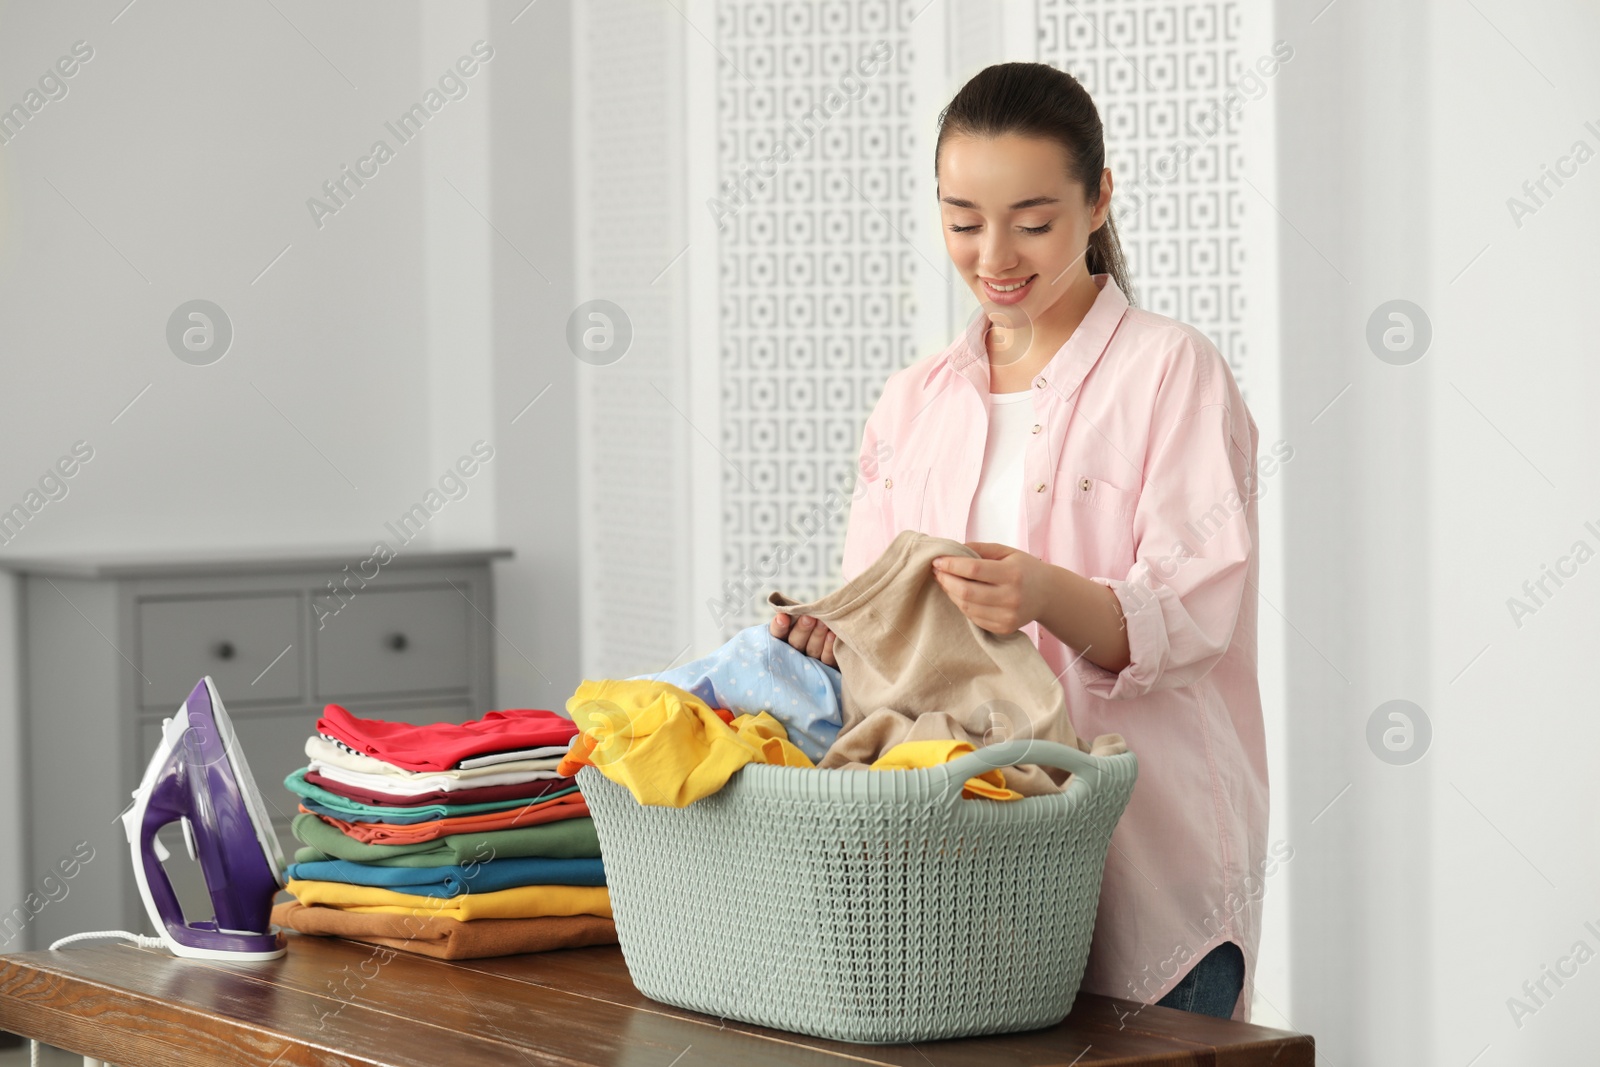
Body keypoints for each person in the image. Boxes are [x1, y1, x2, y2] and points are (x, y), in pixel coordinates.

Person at [769, 61, 1267, 1023]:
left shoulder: (1172, 372)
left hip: (1149, 880)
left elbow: (1196, 614)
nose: (994, 253)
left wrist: (1045, 593)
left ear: (1098, 200)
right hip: (963, 882)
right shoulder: (914, 399)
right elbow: (883, 635)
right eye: (963, 220)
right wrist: (834, 635)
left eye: (1032, 222)